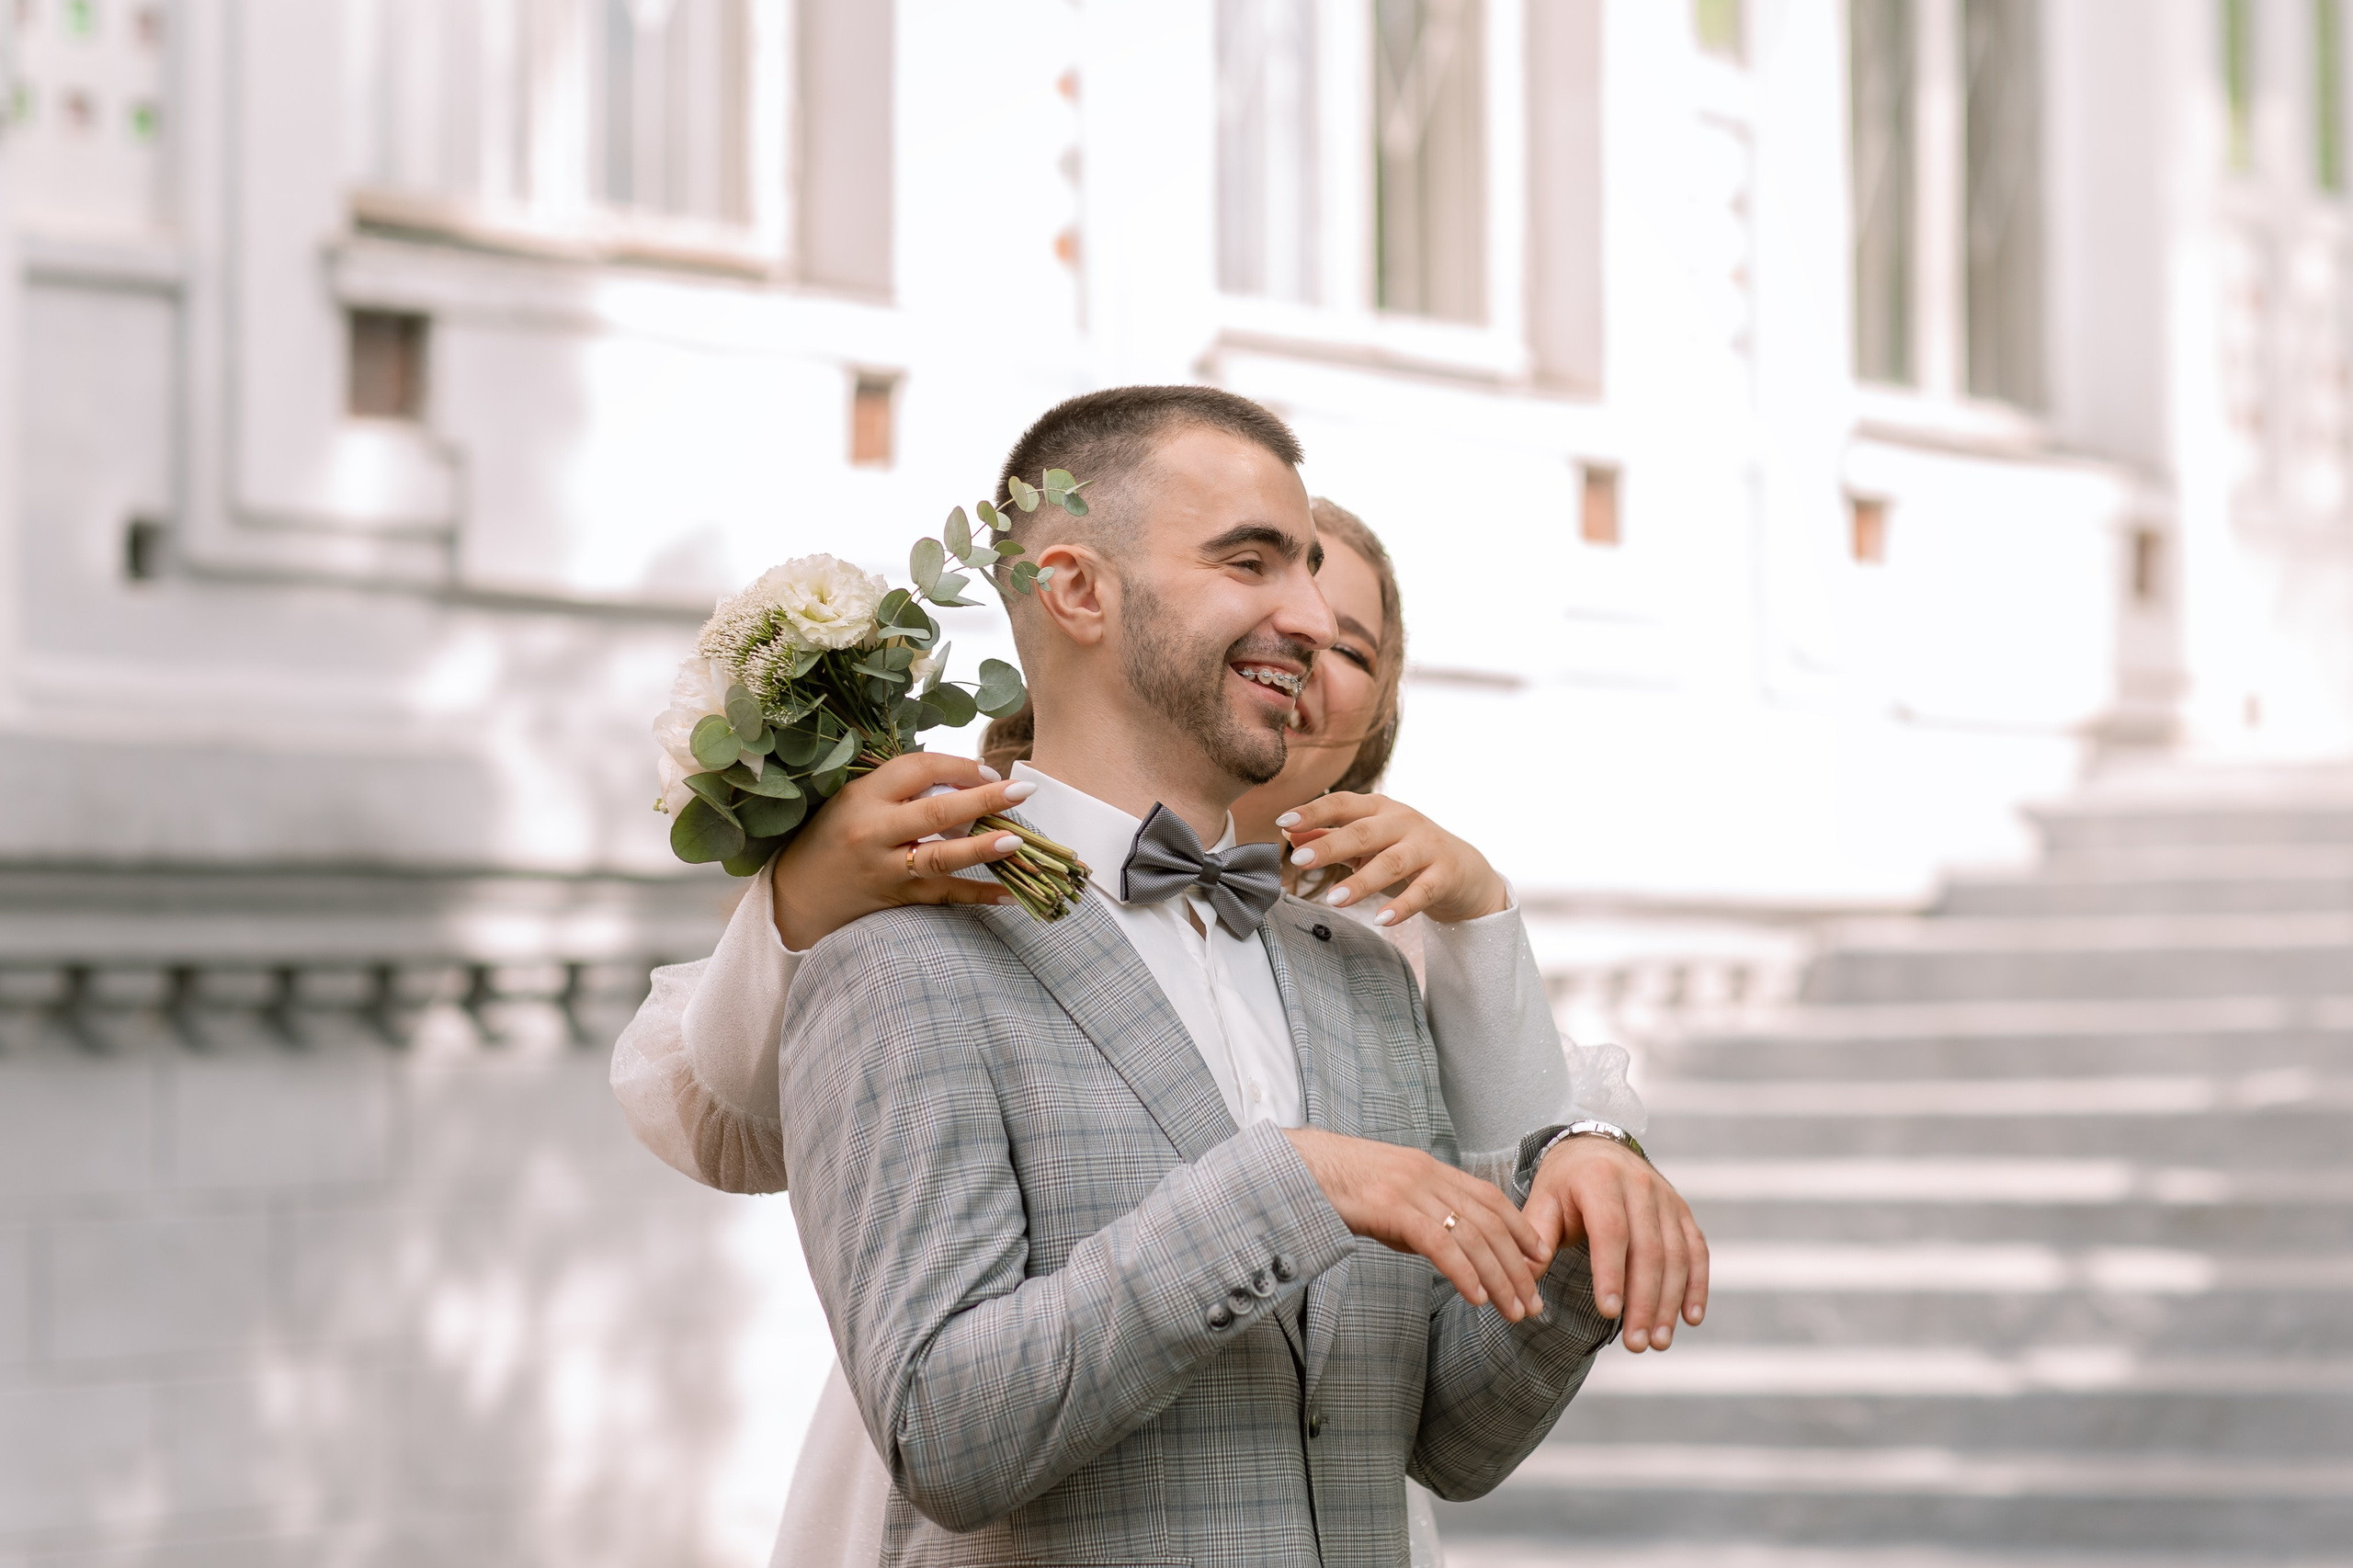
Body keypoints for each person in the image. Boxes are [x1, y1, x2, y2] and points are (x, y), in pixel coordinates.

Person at [610, 491, 1658, 1565]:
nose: (1297, 646)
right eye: (1259, 598)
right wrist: (807, 898)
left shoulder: (1382, 959)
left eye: (1348, 641)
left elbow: (1504, 1197)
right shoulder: (949, 885)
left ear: (1380, 703)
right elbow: (722, 1112)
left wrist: (1482, 925)